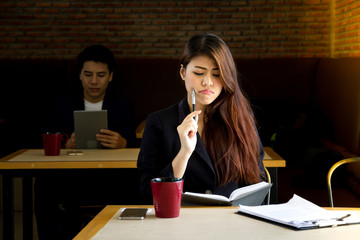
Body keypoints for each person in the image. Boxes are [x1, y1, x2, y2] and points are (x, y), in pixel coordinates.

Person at [137, 33, 266, 204]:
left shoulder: (241, 119)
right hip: (179, 224)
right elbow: (147, 195)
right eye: (199, 73)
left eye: (217, 74)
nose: (207, 82)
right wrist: (184, 154)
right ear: (183, 72)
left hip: (230, 223)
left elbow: (257, 185)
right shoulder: (159, 122)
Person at [35, 45, 138, 240]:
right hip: (73, 174)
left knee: (135, 179)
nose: (94, 81)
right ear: (79, 75)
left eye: (100, 75)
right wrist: (65, 145)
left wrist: (122, 142)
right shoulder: (63, 104)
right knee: (43, 184)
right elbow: (51, 137)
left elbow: (131, 141)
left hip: (110, 175)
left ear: (110, 76)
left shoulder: (122, 105)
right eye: (88, 74)